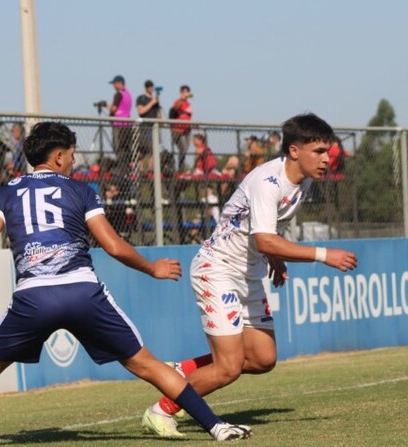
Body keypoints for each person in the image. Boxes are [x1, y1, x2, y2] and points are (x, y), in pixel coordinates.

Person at [0, 122, 252, 445]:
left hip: (33, 297)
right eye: (71, 155)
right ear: (57, 157)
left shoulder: (5, 192)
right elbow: (113, 246)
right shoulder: (81, 191)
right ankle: (216, 427)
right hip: (82, 291)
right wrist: (151, 268)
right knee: (147, 364)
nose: (74, 161)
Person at [141, 113, 358, 437]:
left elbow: (267, 234)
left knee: (262, 358)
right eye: (319, 151)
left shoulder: (304, 181)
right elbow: (265, 238)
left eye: (328, 151)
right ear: (295, 151)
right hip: (217, 270)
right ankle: (160, 410)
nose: (327, 159)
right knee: (228, 367)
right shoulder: (266, 181)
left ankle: (182, 372)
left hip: (248, 274)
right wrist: (324, 255)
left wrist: (276, 260)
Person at [108, 75, 134, 177]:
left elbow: (114, 109)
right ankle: (126, 168)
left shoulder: (118, 94)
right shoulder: (128, 94)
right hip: (127, 124)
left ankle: (121, 169)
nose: (113, 86)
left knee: (118, 147)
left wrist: (106, 105)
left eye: (114, 84)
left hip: (118, 124)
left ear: (119, 83)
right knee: (125, 148)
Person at [135, 80, 162, 172]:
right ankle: (141, 169)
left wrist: (160, 119)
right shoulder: (141, 98)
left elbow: (158, 114)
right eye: (149, 87)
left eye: (152, 87)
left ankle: (151, 170)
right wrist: (152, 103)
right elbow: (141, 111)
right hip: (144, 127)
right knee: (142, 149)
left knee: (153, 150)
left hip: (154, 127)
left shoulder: (155, 100)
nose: (151, 88)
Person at [170, 85, 193, 170]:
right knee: (182, 149)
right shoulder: (178, 101)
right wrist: (182, 99)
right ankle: (180, 169)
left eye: (187, 91)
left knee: (185, 151)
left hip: (187, 130)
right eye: (184, 91)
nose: (186, 93)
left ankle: (181, 167)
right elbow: (175, 107)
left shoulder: (188, 104)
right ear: (181, 93)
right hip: (178, 130)